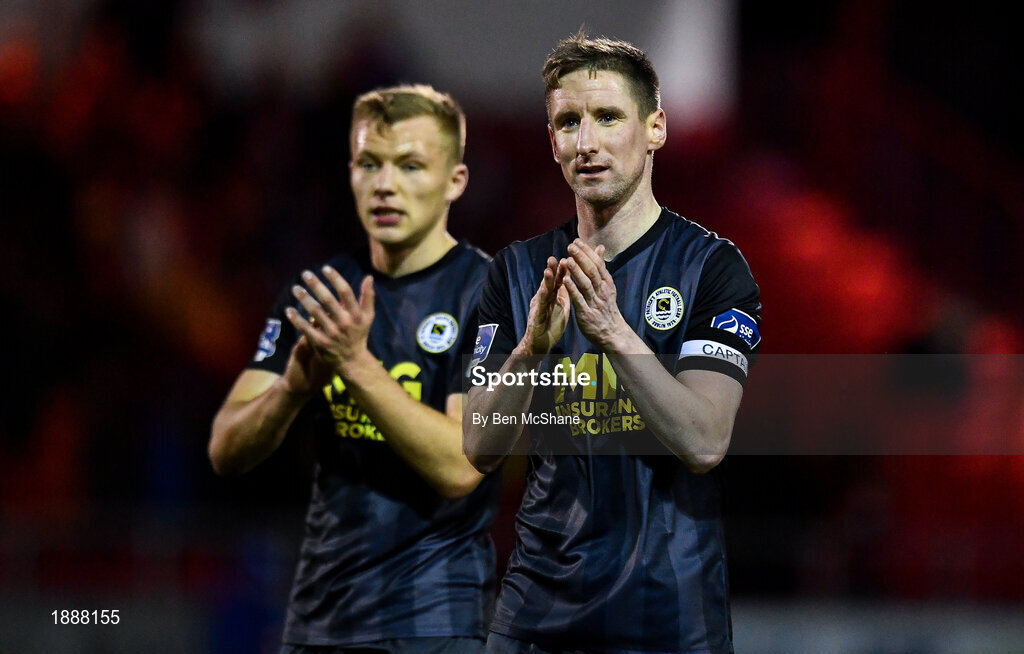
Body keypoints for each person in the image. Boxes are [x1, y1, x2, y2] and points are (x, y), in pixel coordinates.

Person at [463, 33, 761, 654]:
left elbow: (705, 440)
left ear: (655, 129)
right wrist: (531, 353)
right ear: (552, 141)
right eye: (568, 122)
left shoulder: (712, 270)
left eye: (607, 117)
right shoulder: (517, 274)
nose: (586, 141)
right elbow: (479, 446)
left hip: (668, 621)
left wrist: (614, 334)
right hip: (535, 618)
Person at [210, 85, 501, 654]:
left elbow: (464, 465)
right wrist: (292, 390)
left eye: (411, 165)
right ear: (350, 172)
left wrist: (356, 365)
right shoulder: (320, 292)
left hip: (433, 628)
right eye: (370, 163)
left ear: (455, 182)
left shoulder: (492, 294)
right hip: (320, 623)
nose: (385, 185)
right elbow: (225, 449)